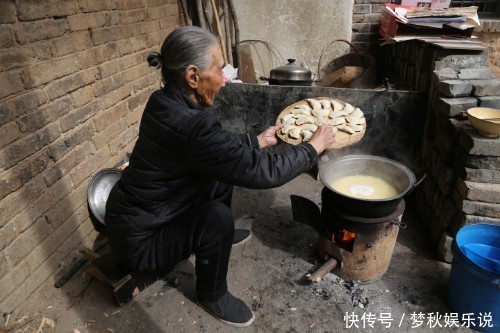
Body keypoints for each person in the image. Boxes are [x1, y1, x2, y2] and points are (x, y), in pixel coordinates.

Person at [104, 26, 335, 328]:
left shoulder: (164, 101)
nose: (224, 80)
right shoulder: (192, 126)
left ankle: (216, 241)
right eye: (218, 69)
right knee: (216, 218)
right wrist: (312, 148)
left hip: (133, 218)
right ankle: (212, 294)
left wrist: (256, 141)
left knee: (223, 173)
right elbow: (261, 171)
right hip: (140, 244)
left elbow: (212, 151)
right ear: (192, 76)